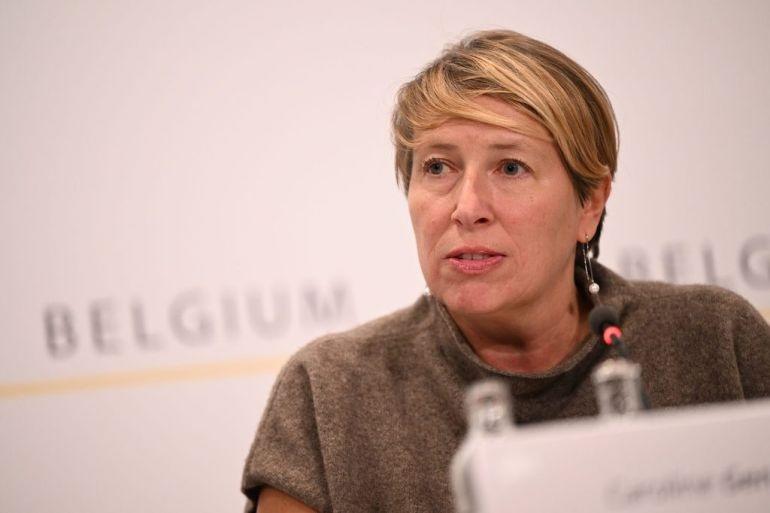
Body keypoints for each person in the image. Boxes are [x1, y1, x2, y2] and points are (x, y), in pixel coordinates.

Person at [241, 30, 770, 513]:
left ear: (590, 203)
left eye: (511, 167)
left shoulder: (716, 340)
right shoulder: (332, 391)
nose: (467, 207)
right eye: (438, 167)